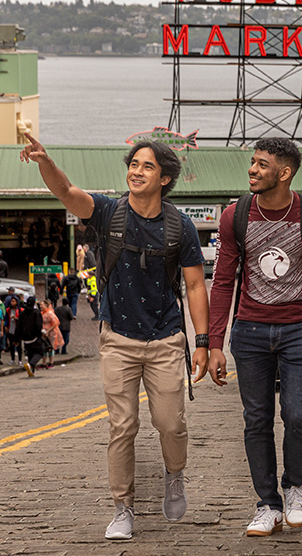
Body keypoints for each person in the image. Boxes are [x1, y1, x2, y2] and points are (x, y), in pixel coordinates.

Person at [20, 133, 214, 541]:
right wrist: (45, 162)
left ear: (164, 178)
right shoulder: (109, 212)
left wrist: (202, 342)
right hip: (118, 338)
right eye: (133, 164)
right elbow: (67, 192)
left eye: (147, 166)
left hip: (165, 339)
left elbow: (196, 286)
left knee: (171, 424)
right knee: (122, 426)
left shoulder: (180, 226)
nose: (136, 171)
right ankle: (122, 507)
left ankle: (174, 474)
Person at [208, 137, 302, 538]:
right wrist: (214, 343)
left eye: (261, 164)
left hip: (300, 329)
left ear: (284, 173)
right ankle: (267, 504)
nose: (252, 169)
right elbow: (223, 281)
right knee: (256, 419)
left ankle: (294, 487)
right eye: (252, 162)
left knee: (298, 415)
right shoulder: (235, 216)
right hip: (249, 331)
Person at [17, 296, 44, 376]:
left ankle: (31, 371)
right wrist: (39, 334)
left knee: (30, 354)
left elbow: (18, 326)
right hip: (34, 337)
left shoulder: (22, 313)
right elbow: (38, 325)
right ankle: (31, 364)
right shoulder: (36, 313)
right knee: (40, 352)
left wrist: (17, 338)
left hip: (25, 339)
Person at [39, 299, 63, 367]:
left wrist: (48, 331)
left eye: (42, 305)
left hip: (51, 333)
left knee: (50, 347)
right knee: (44, 348)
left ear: (46, 305)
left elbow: (56, 323)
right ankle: (44, 363)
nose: (40, 306)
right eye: (40, 305)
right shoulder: (42, 313)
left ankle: (51, 362)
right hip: (44, 333)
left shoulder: (50, 313)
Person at [4, 296, 22, 366]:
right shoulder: (8, 310)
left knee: (19, 345)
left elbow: (22, 320)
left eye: (14, 301)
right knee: (11, 345)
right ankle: (12, 359)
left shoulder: (20, 310)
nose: (12, 303)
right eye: (11, 301)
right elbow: (6, 318)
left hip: (18, 330)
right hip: (11, 329)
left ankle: (20, 360)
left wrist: (16, 318)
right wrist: (6, 326)